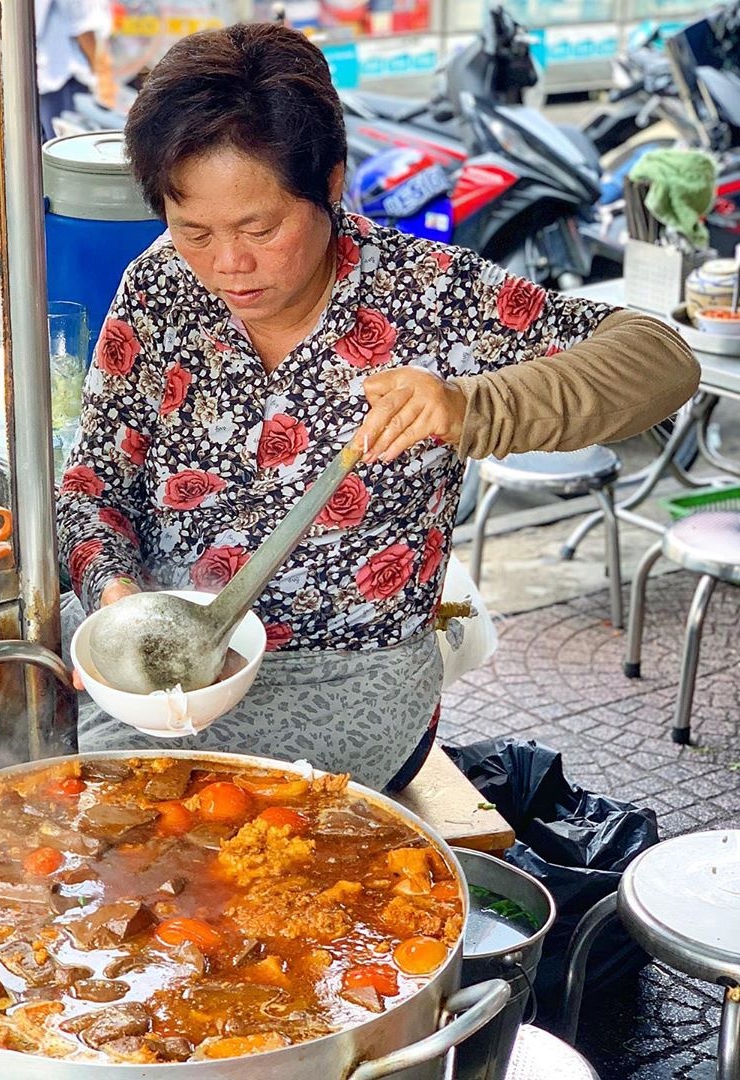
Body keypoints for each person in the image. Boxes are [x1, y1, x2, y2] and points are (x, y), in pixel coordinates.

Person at [57, 23, 700, 792]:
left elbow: (662, 360)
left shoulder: (430, 295)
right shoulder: (161, 285)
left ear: (330, 182)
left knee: (221, 821)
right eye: (193, 229)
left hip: (349, 677)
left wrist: (471, 406)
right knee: (62, 786)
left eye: (260, 227)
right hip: (166, 667)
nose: (227, 264)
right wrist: (119, 604)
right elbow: (92, 485)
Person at [37, 0, 109, 140]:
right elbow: (84, 29)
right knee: (67, 142)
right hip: (65, 77)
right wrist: (100, 73)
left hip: (48, 73)